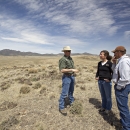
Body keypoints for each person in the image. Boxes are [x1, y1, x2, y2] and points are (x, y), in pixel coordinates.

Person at [112, 46, 130, 130]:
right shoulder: (122, 60)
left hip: (122, 87)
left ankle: (126, 127)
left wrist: (118, 87)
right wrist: (114, 63)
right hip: (125, 86)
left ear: (119, 52)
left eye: (115, 52)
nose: (114, 54)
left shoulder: (123, 61)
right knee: (123, 107)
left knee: (123, 107)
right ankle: (125, 122)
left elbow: (125, 78)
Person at [58, 46, 78, 115]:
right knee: (64, 93)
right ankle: (61, 107)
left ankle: (71, 102)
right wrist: (72, 70)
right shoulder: (63, 59)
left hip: (72, 77)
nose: (69, 52)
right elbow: (62, 70)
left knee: (71, 91)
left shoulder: (70, 58)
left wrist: (73, 71)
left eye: (70, 51)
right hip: (66, 77)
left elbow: (71, 66)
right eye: (68, 51)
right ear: (64, 52)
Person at [95, 50, 113, 115]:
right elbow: (98, 71)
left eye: (101, 54)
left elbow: (113, 72)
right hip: (100, 81)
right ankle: (103, 106)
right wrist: (97, 76)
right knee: (103, 95)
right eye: (100, 54)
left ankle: (108, 108)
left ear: (105, 56)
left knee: (108, 96)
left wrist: (110, 79)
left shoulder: (110, 63)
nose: (100, 55)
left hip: (106, 82)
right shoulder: (99, 63)